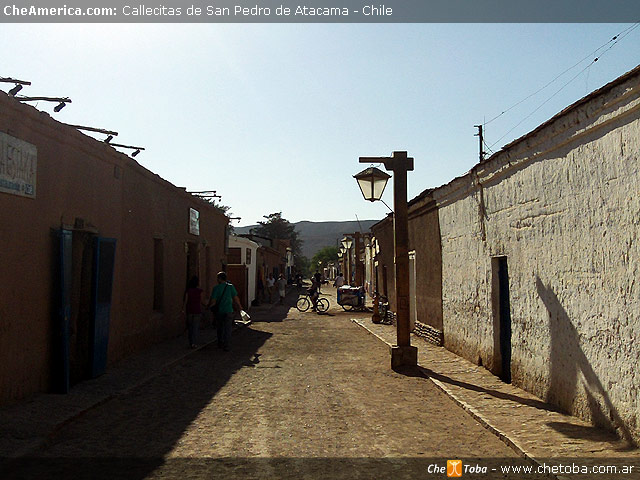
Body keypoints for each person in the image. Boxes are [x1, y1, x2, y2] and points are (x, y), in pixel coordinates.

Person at [209, 271, 243, 352]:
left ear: (220, 279)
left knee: (220, 328)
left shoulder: (216, 288)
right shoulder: (231, 287)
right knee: (228, 328)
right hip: (228, 310)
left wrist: (208, 307)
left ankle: (220, 342)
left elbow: (213, 301)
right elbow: (236, 298)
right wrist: (240, 307)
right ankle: (226, 344)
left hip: (219, 311)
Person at [182, 275, 203, 349]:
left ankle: (191, 342)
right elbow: (201, 301)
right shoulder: (199, 291)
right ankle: (194, 343)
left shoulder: (188, 291)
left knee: (190, 327)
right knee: (195, 327)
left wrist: (183, 310)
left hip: (190, 310)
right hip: (197, 310)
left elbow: (186, 301)